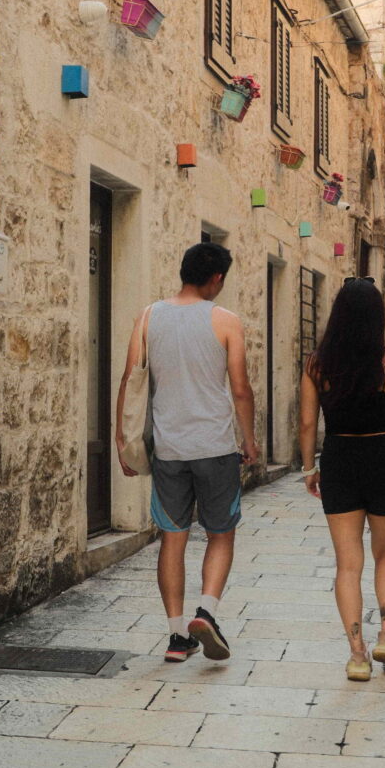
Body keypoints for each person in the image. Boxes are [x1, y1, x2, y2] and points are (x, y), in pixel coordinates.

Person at [115, 242, 258, 664]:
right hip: (214, 446)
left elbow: (129, 380)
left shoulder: (148, 317)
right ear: (216, 279)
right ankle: (207, 612)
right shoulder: (226, 321)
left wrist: (124, 442)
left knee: (171, 540)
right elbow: (240, 389)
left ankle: (178, 636)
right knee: (221, 533)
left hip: (169, 449)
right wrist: (248, 439)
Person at [299, 278, 385, 683]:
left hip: (339, 459)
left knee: (347, 564)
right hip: (382, 458)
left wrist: (308, 468)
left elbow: (306, 424)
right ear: (377, 319)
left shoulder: (317, 366)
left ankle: (357, 655)